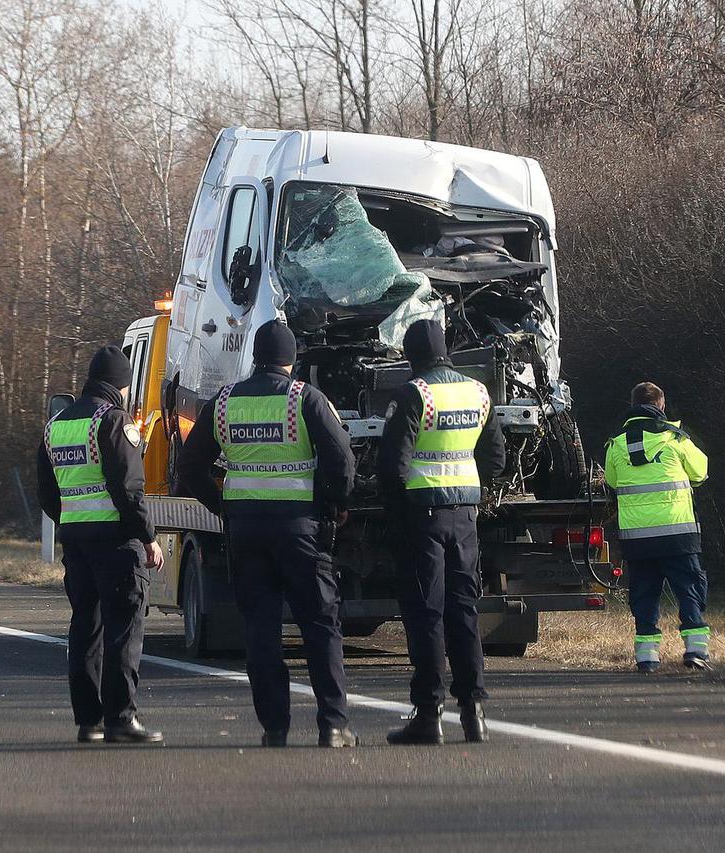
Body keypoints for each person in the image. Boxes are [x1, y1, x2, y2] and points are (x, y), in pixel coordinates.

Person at [178, 320, 359, 747]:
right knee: (319, 625)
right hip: (300, 531)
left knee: (260, 629)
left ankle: (274, 727)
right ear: (292, 360)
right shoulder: (305, 399)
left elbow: (189, 468)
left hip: (245, 531)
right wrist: (334, 508)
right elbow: (342, 462)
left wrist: (222, 505)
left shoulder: (223, 404)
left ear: (255, 358)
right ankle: (333, 724)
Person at [377, 319, 506, 745]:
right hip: (464, 516)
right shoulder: (477, 393)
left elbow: (393, 465)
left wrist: (393, 512)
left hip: (422, 517)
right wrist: (471, 491)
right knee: (463, 612)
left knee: (426, 614)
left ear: (412, 355)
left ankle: (429, 714)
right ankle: (474, 713)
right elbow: (495, 458)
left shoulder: (416, 394)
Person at [37, 345, 165, 745]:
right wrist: (148, 537)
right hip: (116, 543)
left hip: (77, 542)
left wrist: (72, 521)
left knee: (85, 629)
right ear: (120, 385)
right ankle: (121, 718)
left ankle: (88, 720)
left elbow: (47, 492)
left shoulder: (56, 425)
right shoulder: (112, 421)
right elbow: (129, 490)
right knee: (123, 631)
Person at [603, 382, 711, 672]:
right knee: (689, 590)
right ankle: (695, 652)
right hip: (678, 534)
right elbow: (701, 471)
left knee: (644, 596)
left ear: (632, 404)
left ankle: (647, 658)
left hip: (638, 539)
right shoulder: (676, 439)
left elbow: (612, 482)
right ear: (661, 406)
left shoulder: (615, 444)